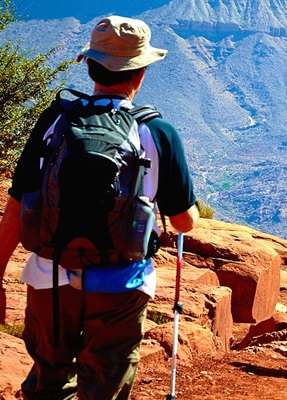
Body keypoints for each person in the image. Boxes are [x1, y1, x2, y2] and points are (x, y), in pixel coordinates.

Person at [0, 16, 199, 400]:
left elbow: (16, 204)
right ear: (140, 74)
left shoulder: (55, 120)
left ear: (89, 65)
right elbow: (184, 221)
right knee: (105, 382)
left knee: (48, 379)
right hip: (120, 284)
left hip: (49, 277)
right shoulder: (158, 133)